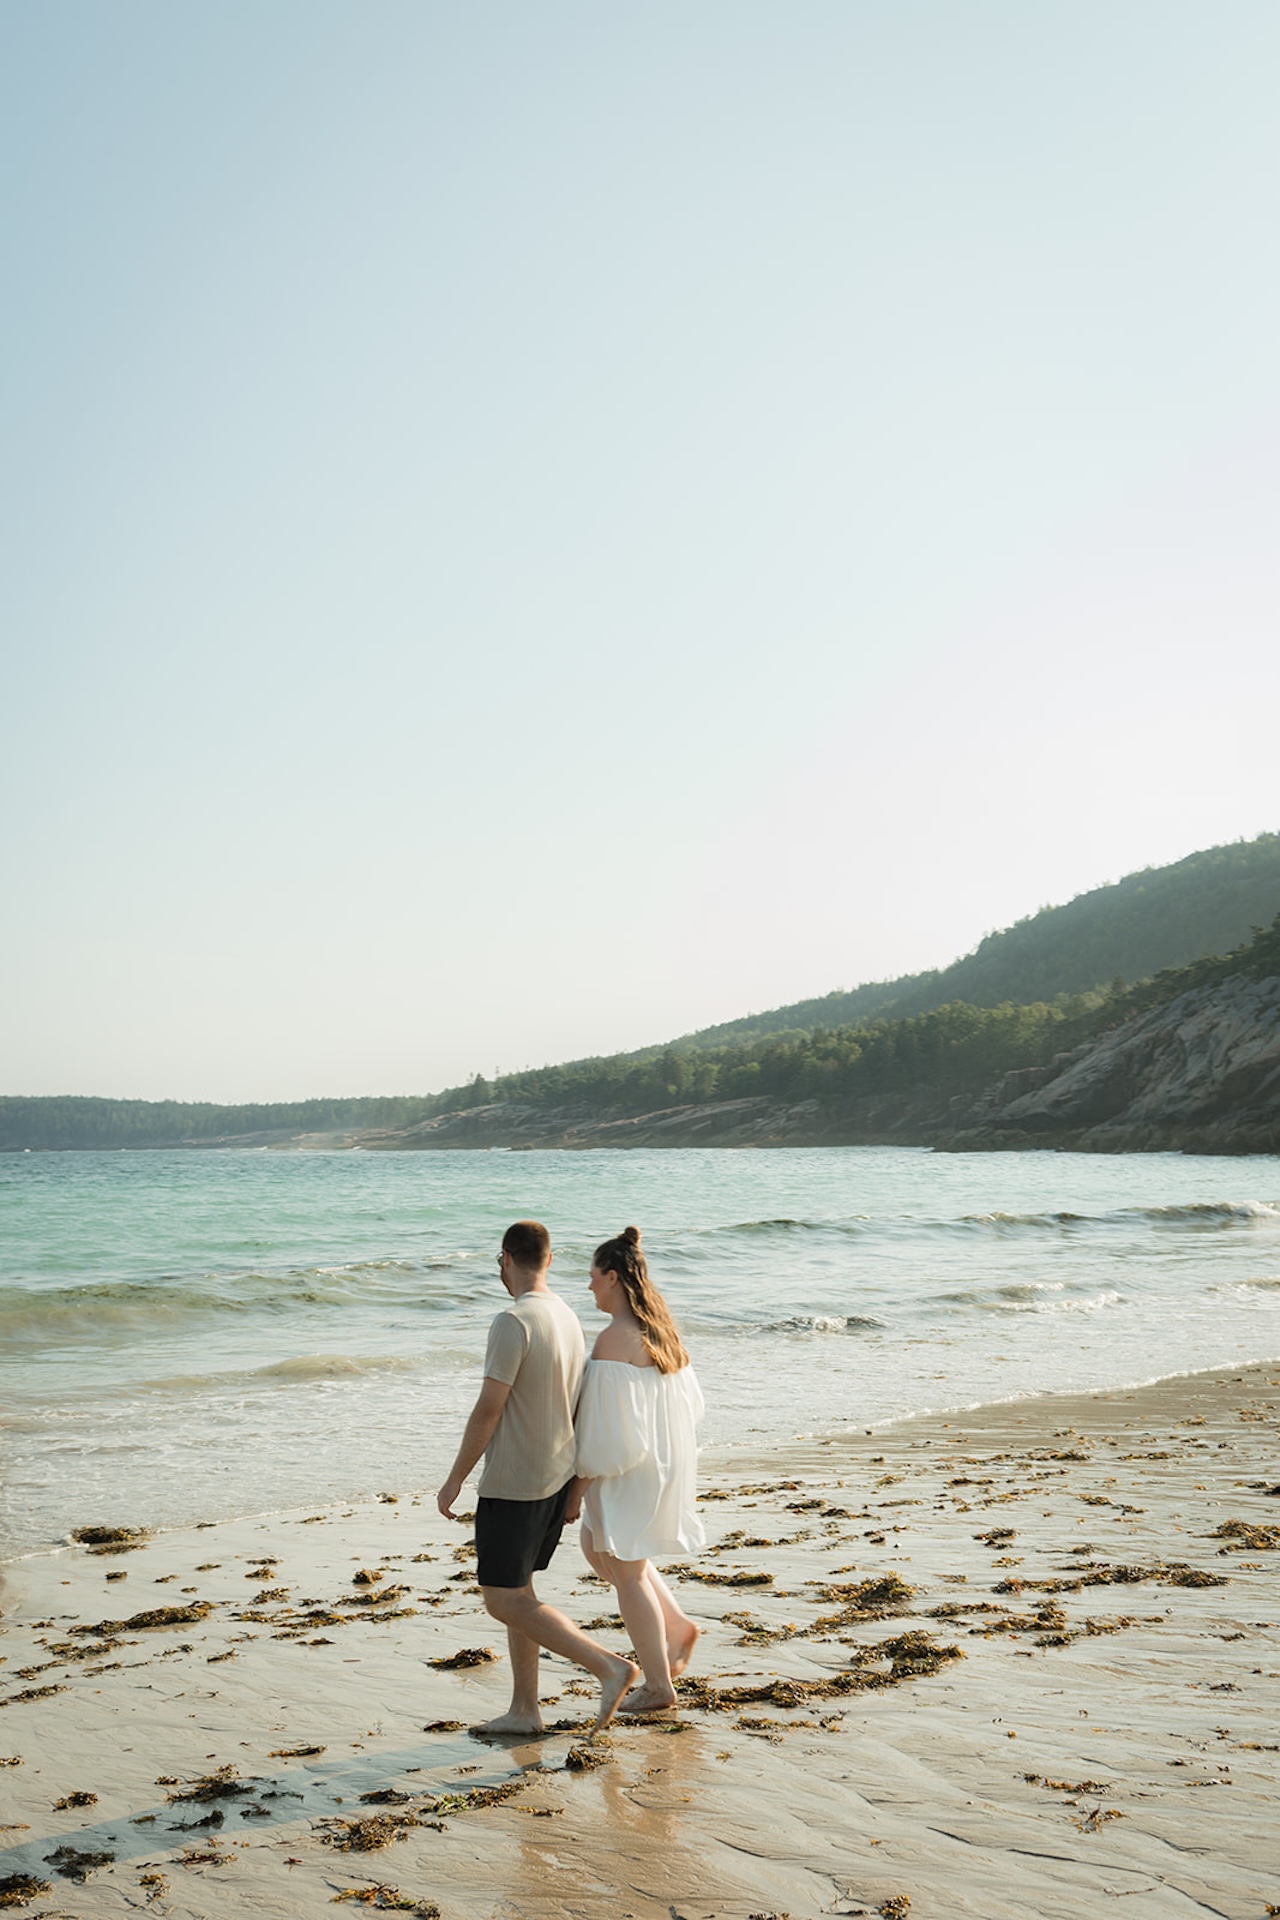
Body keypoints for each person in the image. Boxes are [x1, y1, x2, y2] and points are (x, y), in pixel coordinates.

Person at [436, 1219, 638, 1736]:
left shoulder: (513, 1320)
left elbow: (489, 1409)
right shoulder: (567, 1316)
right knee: (520, 1595)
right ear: (549, 1259)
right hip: (554, 1476)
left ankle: (609, 1667)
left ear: (505, 1259)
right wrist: (575, 1487)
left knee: (502, 1599)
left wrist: (455, 1478)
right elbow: (579, 1403)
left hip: (514, 1481)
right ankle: (525, 1710)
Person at [567, 1225, 704, 1715]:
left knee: (625, 1572)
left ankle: (658, 1686)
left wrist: (576, 1489)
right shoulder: (660, 1328)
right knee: (601, 1550)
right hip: (660, 1461)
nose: (588, 1288)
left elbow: (606, 1435)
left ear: (612, 1277)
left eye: (591, 1278)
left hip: (628, 1468)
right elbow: (691, 1405)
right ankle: (678, 1626)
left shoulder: (612, 1339)